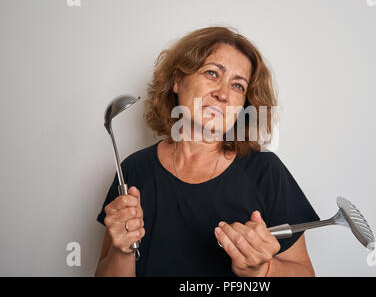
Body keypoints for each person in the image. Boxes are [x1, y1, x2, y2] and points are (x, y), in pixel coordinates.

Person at [94, 26, 320, 277]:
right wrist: (122, 250)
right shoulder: (134, 170)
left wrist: (262, 270)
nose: (223, 94)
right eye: (212, 73)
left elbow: (305, 273)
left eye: (238, 86)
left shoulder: (265, 172)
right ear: (177, 81)